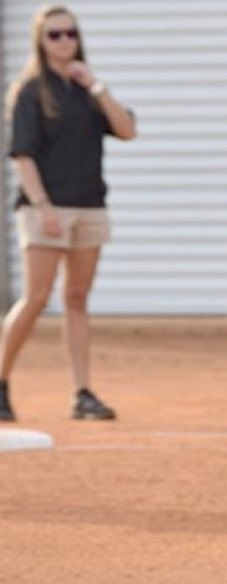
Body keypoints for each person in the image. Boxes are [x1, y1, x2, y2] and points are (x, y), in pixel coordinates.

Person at [0, 5, 137, 421]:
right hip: (47, 207)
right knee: (37, 297)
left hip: (89, 205)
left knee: (77, 298)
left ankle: (83, 393)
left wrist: (97, 86)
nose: (64, 41)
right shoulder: (31, 92)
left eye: (70, 33)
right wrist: (43, 206)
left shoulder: (87, 91)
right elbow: (22, 155)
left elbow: (127, 130)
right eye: (54, 35)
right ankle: (1, 380)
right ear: (41, 42)